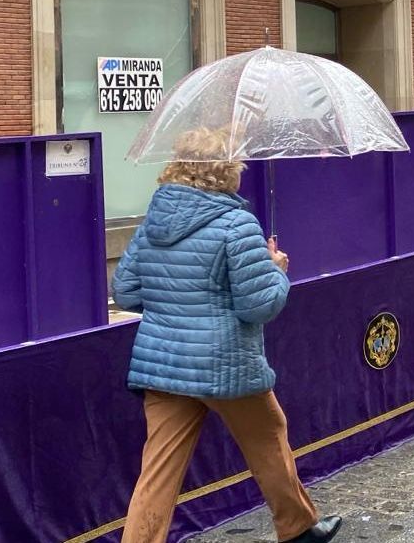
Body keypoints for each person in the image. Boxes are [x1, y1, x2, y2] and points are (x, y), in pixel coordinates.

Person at [112, 128, 340, 543]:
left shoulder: (154, 221)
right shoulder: (236, 223)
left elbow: (125, 290)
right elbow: (258, 306)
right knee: (269, 437)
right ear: (226, 171)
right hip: (225, 364)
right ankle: (297, 528)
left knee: (158, 469)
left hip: (163, 363)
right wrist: (276, 269)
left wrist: (175, 305)